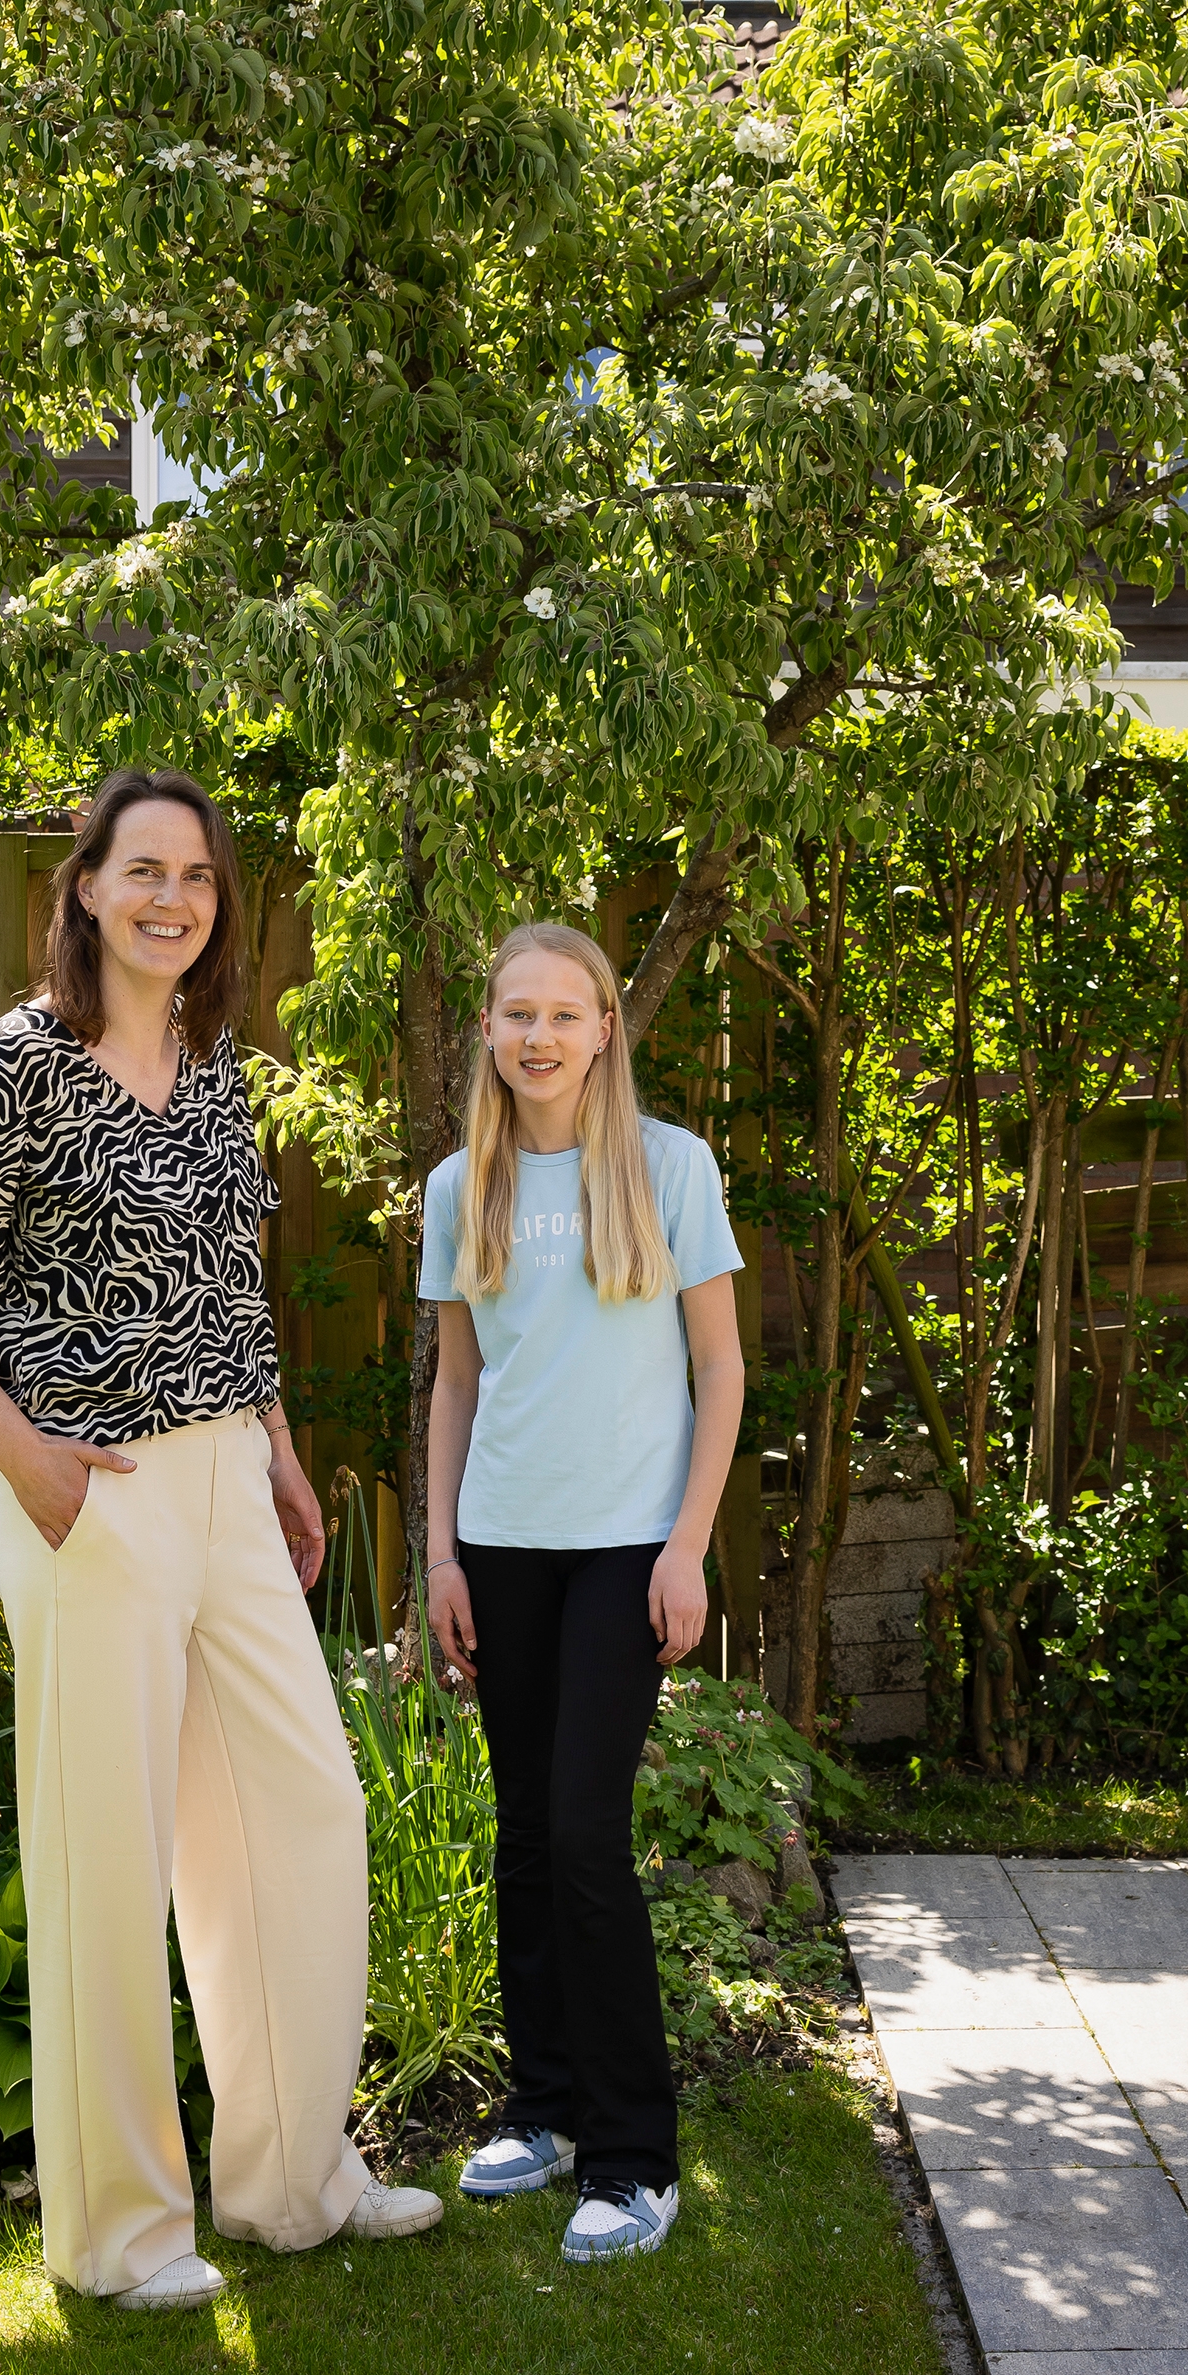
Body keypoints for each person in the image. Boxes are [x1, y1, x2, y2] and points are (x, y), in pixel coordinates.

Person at [0, 767, 440, 2309]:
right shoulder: (14, 1065)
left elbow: (225, 1278)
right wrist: (31, 1467)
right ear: (84, 888)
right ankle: (122, 2239)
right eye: (143, 870)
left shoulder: (209, 1062)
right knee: (108, 1860)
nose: (170, 897)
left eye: (195, 876)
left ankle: (290, 2182)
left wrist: (279, 1451)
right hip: (93, 1497)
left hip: (229, 1484)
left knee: (300, 1815)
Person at [422, 921, 745, 2263]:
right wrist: (437, 1554)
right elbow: (455, 1383)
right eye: (516, 1015)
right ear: (488, 1035)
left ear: (605, 1028)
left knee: (585, 1837)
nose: (539, 1037)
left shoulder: (667, 1169)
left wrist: (686, 1545)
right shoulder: (461, 1186)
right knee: (522, 1837)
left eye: (565, 1014)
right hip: (501, 1544)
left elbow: (719, 1370)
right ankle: (544, 2110)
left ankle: (633, 2157)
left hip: (626, 1549)